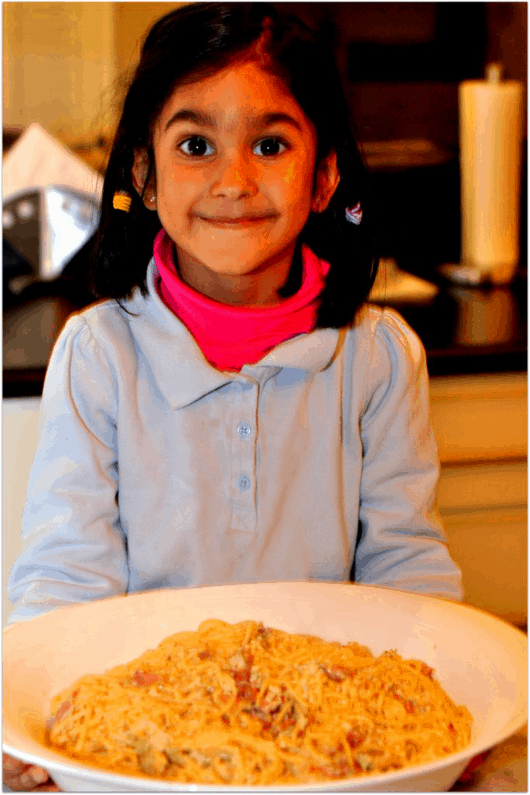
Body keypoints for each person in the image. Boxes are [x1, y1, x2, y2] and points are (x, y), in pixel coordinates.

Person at [5, 3, 462, 789]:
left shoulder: (380, 358)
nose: (234, 180)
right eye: (194, 145)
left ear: (324, 177)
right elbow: (66, 573)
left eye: (271, 144)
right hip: (145, 744)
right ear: (143, 175)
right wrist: (31, 710)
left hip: (328, 744)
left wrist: (446, 693)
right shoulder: (98, 355)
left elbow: (407, 564)